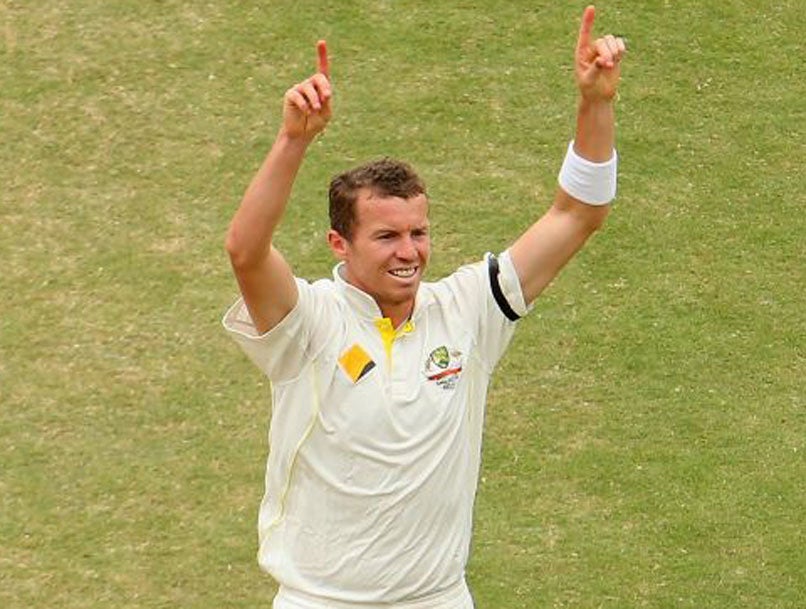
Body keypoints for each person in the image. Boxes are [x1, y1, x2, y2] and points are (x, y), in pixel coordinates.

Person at [222, 6, 626, 609]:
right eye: (387, 237)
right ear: (340, 243)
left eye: (419, 233)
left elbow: (576, 215)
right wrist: (292, 140)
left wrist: (595, 103)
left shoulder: (467, 310)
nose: (409, 253)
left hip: (437, 598)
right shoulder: (309, 321)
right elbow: (246, 250)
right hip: (321, 601)